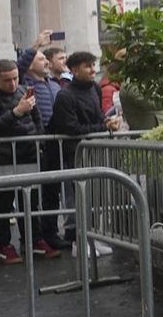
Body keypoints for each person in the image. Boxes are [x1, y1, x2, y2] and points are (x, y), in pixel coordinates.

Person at [48, 52, 121, 255]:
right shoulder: (65, 95)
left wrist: (106, 121)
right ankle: (79, 242)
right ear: (74, 70)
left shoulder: (94, 88)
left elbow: (97, 115)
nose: (92, 70)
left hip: (93, 149)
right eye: (87, 66)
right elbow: (72, 128)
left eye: (93, 65)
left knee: (95, 197)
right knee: (81, 197)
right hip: (76, 152)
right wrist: (102, 127)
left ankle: (93, 238)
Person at [0, 59, 60, 264]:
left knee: (30, 202)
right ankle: (4, 245)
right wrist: (17, 112)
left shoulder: (24, 90)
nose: (13, 84)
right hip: (3, 158)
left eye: (15, 78)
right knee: (3, 204)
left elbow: (37, 118)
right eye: (7, 80)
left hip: (29, 154)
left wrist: (39, 142)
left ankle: (34, 240)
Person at [16, 34, 68, 246]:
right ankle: (33, 238)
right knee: (33, 195)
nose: (46, 62)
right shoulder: (25, 82)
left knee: (52, 192)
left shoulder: (53, 84)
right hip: (36, 145)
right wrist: (36, 44)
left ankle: (50, 234)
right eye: (41, 59)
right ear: (30, 65)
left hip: (54, 144)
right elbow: (19, 66)